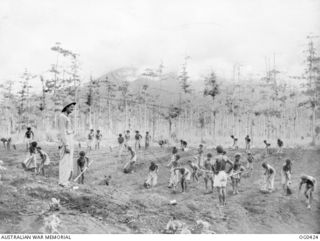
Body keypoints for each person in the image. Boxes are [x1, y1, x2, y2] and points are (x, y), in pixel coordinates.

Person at [57, 102, 76, 187]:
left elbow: (68, 130)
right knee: (64, 161)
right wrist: (66, 144)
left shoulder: (67, 117)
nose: (72, 109)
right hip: (65, 142)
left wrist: (72, 132)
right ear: (66, 107)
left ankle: (66, 181)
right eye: (71, 107)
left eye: (73, 108)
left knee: (69, 162)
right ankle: (62, 182)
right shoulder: (62, 117)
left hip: (70, 140)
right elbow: (62, 132)